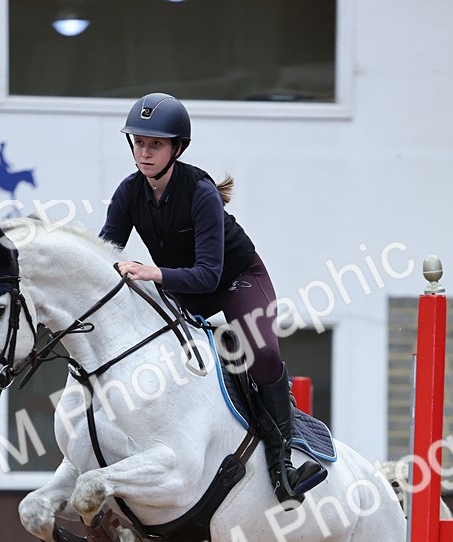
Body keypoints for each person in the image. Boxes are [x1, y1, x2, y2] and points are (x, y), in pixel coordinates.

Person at [99, 91, 324, 506]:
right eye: (139, 142)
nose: (145, 152)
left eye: (156, 144)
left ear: (177, 148)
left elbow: (207, 276)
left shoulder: (200, 192)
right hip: (183, 283)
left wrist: (152, 273)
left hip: (235, 279)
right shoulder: (129, 192)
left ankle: (284, 464)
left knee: (262, 353)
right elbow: (105, 257)